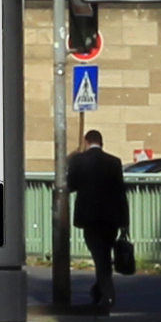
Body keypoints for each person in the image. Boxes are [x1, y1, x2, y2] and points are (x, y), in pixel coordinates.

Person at [64, 130, 130, 309]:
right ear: (102, 142)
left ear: (86, 142)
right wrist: (125, 222)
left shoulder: (79, 160)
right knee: (104, 255)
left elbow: (70, 186)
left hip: (89, 216)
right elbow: (120, 192)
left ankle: (107, 294)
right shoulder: (114, 162)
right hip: (111, 218)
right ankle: (100, 291)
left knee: (99, 256)